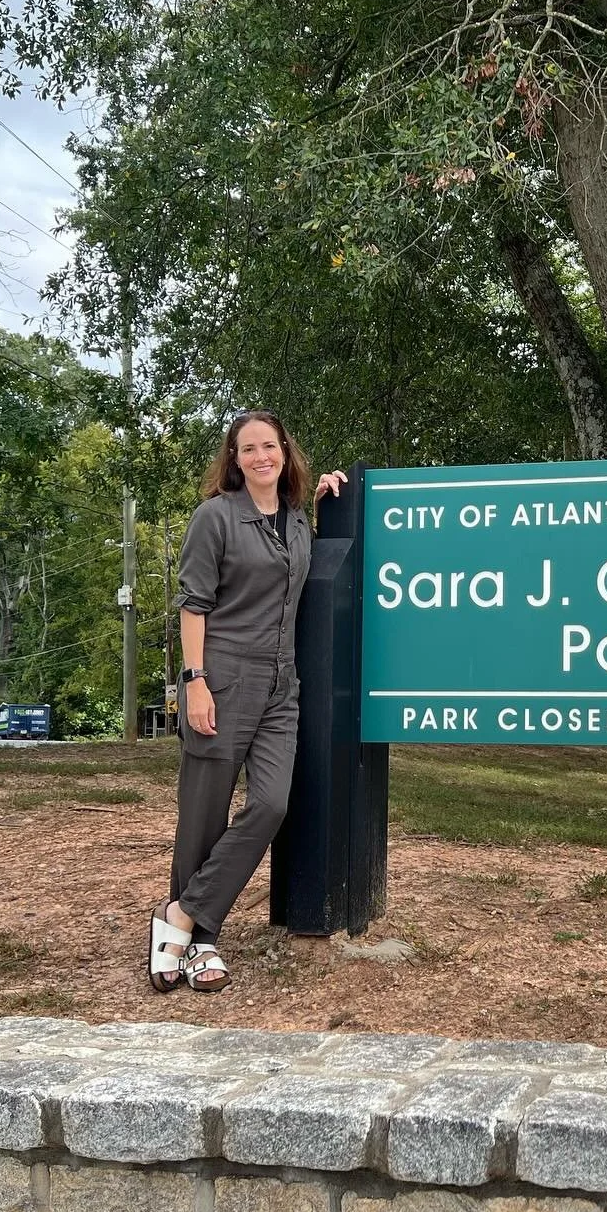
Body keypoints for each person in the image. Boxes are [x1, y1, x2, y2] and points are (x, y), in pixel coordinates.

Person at [147, 410, 347, 993]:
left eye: (271, 445)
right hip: (223, 679)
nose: (262, 456)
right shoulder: (215, 518)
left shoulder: (296, 523)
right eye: (249, 448)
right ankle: (201, 944)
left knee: (269, 805)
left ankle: (181, 914)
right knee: (204, 815)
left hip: (282, 689)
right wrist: (195, 681)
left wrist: (333, 495)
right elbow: (193, 605)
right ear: (234, 460)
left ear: (285, 451)